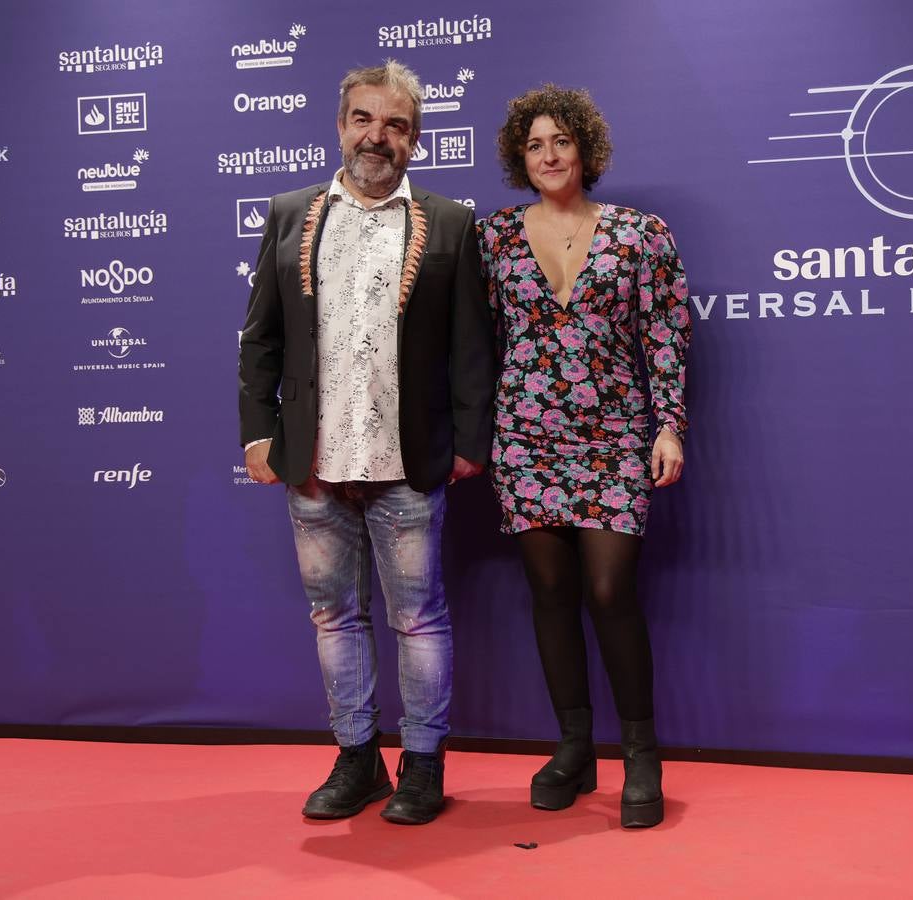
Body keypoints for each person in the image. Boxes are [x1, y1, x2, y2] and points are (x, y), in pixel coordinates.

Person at [238, 60, 494, 825]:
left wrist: (468, 439)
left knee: (417, 618)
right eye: (363, 119)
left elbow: (473, 347)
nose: (376, 137)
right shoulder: (289, 213)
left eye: (395, 124)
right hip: (312, 461)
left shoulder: (449, 222)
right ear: (341, 123)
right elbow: (261, 340)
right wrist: (259, 432)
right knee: (333, 617)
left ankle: (422, 767)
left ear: (414, 139)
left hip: (410, 462)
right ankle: (357, 760)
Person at [478, 85, 690, 828]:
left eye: (560, 142)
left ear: (584, 150)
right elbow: (474, 346)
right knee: (550, 594)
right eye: (534, 145)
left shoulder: (638, 233)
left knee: (608, 592)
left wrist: (668, 426)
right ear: (518, 156)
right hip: (525, 439)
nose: (548, 155)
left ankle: (640, 752)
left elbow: (665, 334)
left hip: (613, 436)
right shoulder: (494, 237)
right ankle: (573, 746)